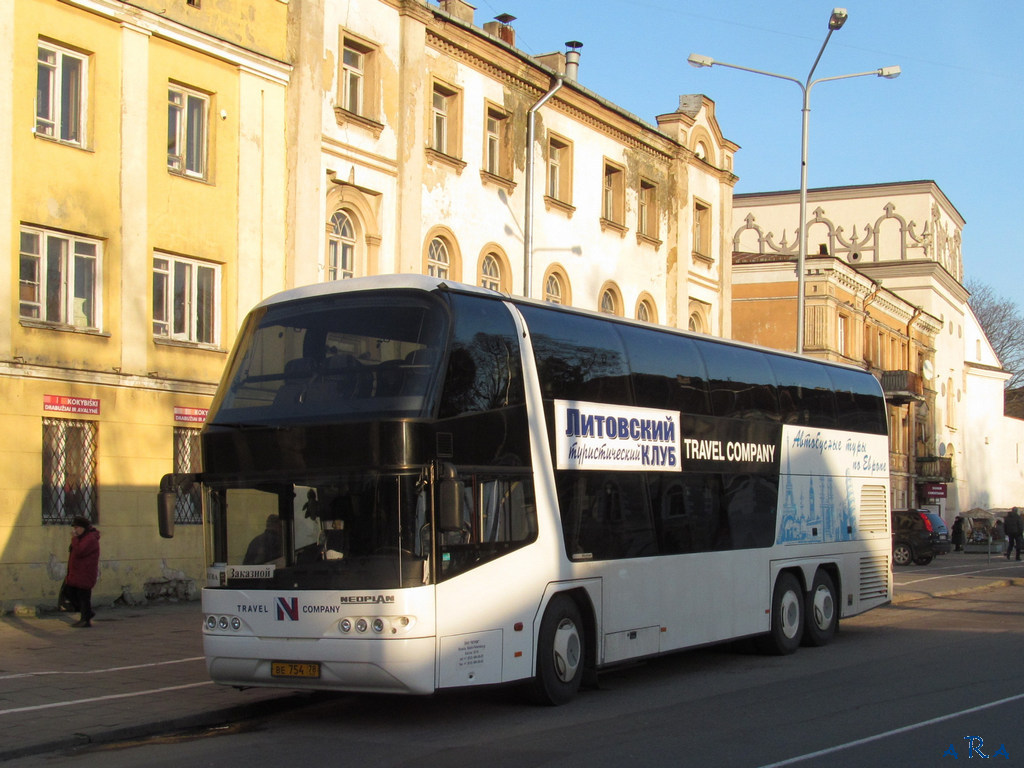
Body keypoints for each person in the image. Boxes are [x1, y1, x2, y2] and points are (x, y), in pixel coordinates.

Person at [66, 516, 100, 628]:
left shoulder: (90, 539)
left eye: (77, 527)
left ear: (84, 528)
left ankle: (85, 619)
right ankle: (87, 613)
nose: (75, 530)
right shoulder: (83, 537)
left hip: (85, 573)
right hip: (77, 572)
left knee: (83, 597)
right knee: (70, 593)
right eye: (74, 528)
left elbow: (80, 551)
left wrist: (74, 539)